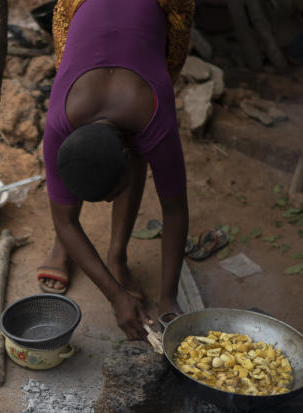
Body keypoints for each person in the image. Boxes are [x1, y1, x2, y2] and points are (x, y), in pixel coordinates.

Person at [38, 0, 194, 340]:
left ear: (129, 153)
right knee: (67, 212)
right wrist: (116, 296)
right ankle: (70, 251)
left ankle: (117, 255)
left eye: (112, 194)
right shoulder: (58, 124)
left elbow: (175, 210)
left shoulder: (153, 114)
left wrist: (169, 300)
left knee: (136, 147)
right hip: (83, 9)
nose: (108, 203)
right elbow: (64, 220)